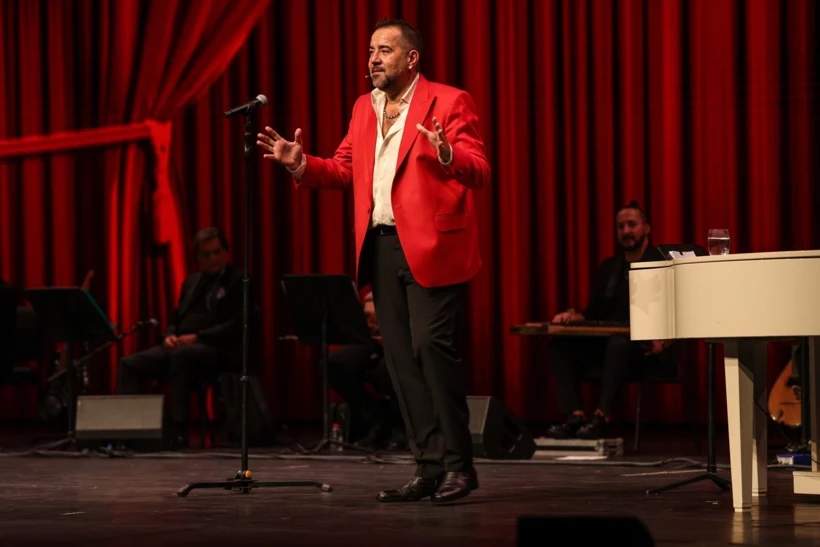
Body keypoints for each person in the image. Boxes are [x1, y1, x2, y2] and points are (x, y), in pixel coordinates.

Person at [257, 18, 490, 504]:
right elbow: (344, 169)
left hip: (434, 247)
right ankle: (428, 468)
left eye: (385, 50)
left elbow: (479, 170)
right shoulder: (365, 107)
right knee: (401, 362)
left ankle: (459, 467)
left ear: (412, 58)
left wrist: (448, 154)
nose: (373, 59)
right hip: (381, 245)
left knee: (431, 349)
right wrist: (301, 163)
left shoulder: (449, 101)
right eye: (370, 51)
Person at [545, 202, 677, 440]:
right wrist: (571, 317)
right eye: (620, 226)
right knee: (559, 344)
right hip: (608, 347)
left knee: (618, 343)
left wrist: (666, 342)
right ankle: (575, 416)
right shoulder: (609, 267)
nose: (626, 231)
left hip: (646, 350)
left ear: (647, 228)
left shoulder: (661, 264)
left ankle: (602, 416)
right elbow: (591, 313)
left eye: (632, 225)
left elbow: (678, 311)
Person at [118, 227, 243, 449]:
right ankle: (129, 432)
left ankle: (178, 431)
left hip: (215, 349)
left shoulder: (238, 280)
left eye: (217, 252)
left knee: (182, 356)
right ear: (198, 258)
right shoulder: (191, 282)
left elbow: (237, 323)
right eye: (207, 254)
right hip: (181, 344)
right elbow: (176, 317)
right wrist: (169, 335)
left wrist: (197, 337)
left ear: (226, 251)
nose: (213, 258)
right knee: (130, 363)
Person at [326, 290, 405, 450]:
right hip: (373, 340)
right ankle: (377, 419)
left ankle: (400, 428)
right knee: (333, 364)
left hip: (402, 339)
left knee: (388, 370)